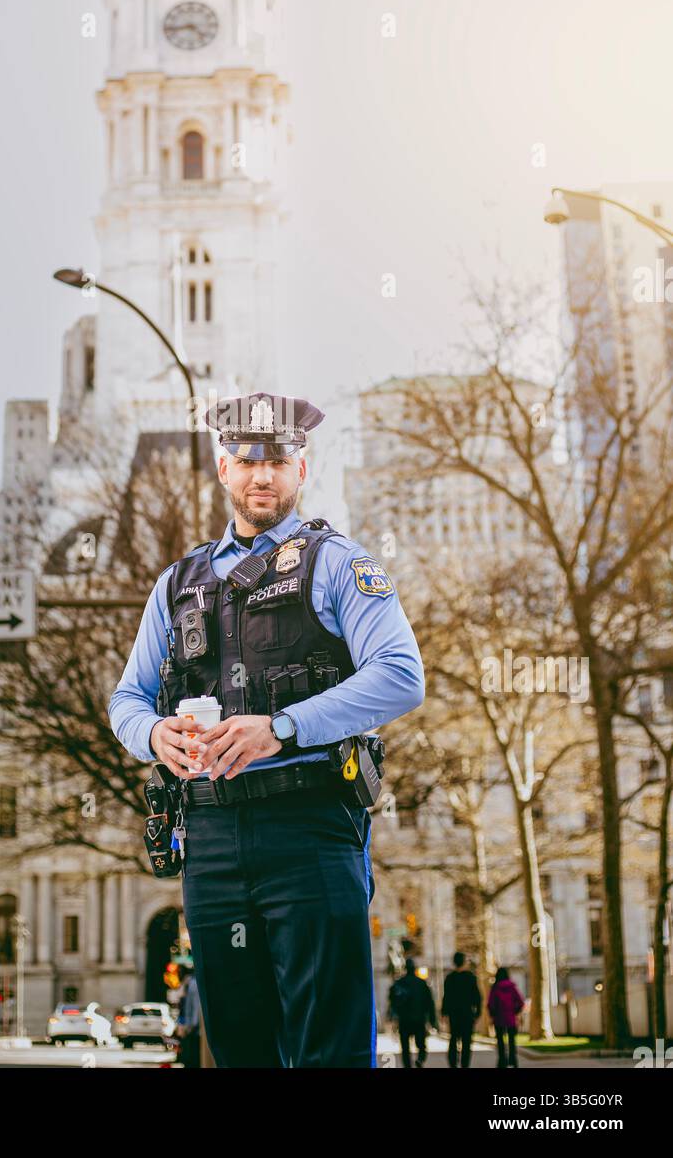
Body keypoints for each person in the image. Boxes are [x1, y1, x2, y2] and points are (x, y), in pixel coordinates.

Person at [109, 391, 425, 1067]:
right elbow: (127, 699)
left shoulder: (340, 563)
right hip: (211, 843)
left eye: (278, 458)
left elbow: (401, 675)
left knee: (328, 1050)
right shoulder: (176, 584)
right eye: (247, 458)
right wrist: (152, 736)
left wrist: (282, 726)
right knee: (240, 1051)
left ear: (301, 468)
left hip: (311, 827)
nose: (262, 474)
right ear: (222, 469)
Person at [388, 960, 437, 1068]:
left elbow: (392, 1001)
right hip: (419, 1019)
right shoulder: (422, 983)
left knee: (405, 1048)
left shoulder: (399, 983)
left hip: (404, 1020)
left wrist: (392, 1017)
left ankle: (407, 1065)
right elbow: (429, 1003)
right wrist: (432, 1020)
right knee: (421, 1045)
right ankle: (420, 1059)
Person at [441, 951, 482, 1069]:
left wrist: (444, 1013)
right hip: (467, 1015)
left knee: (453, 1038)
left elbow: (446, 997)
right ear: (463, 962)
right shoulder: (471, 977)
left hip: (454, 1015)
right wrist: (477, 1013)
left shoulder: (450, 978)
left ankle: (453, 1062)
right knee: (466, 1041)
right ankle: (464, 1064)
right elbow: (477, 997)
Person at [487, 966, 525, 1068]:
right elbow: (520, 1002)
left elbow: (490, 1004)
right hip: (511, 1018)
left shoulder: (495, 988)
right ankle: (513, 1061)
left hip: (499, 1019)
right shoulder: (512, 987)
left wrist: (492, 1015)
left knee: (500, 1042)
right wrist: (515, 1011)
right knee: (512, 1041)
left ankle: (502, 1061)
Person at [174, 964, 201, 1068]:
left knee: (192, 1053)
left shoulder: (192, 984)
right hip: (191, 1026)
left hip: (192, 1027)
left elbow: (193, 1006)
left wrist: (191, 1025)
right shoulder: (189, 984)